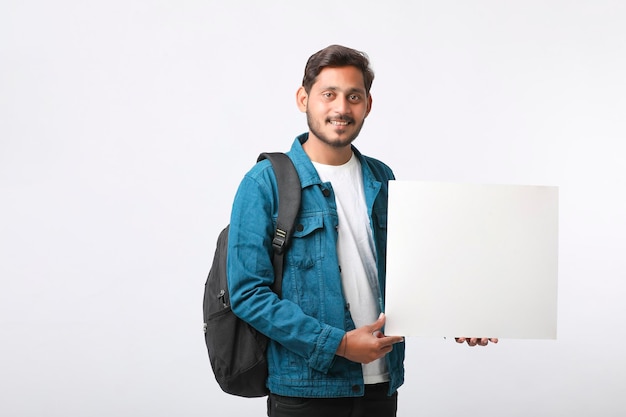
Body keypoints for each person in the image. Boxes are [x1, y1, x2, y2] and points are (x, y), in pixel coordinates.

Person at [226, 44, 497, 417]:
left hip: (381, 384)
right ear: (303, 98)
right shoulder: (264, 183)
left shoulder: (381, 177)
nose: (341, 108)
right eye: (328, 95)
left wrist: (458, 317)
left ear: (368, 104)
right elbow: (247, 294)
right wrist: (337, 344)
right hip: (306, 390)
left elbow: (409, 274)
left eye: (354, 96)